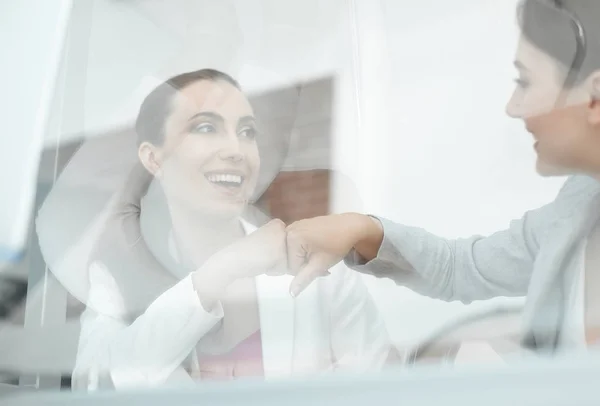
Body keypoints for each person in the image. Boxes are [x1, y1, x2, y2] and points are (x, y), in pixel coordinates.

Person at [284, 0, 600, 354]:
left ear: (593, 98)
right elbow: (459, 268)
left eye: (525, 82)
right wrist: (363, 229)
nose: (513, 107)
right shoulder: (577, 209)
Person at [72, 69, 392, 390]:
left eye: (247, 132)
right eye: (206, 127)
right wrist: (215, 276)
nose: (236, 150)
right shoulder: (115, 276)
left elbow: (385, 388)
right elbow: (93, 385)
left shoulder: (318, 266)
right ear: (153, 159)